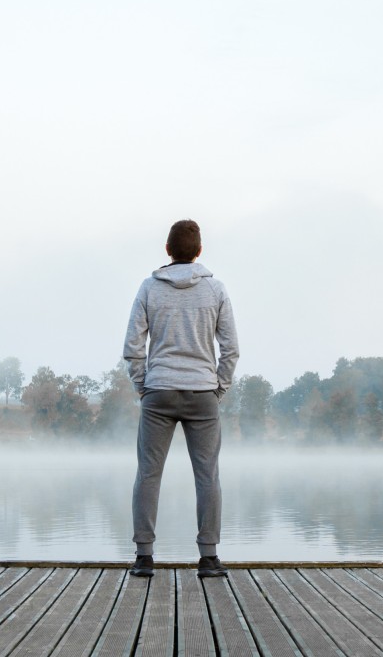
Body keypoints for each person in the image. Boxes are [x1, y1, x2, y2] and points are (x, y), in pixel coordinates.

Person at [124, 219, 239, 578]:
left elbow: (132, 346)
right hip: (203, 393)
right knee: (208, 476)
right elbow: (231, 348)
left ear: (168, 250)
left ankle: (144, 558)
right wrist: (218, 387)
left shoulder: (149, 289)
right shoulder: (216, 290)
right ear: (199, 251)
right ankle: (208, 559)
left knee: (148, 473)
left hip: (158, 392)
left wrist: (144, 385)